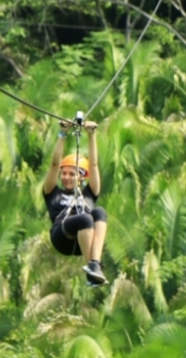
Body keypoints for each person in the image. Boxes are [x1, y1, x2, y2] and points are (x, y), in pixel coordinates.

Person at [43, 119, 108, 286]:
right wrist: (62, 134)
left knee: (99, 212)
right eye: (64, 173)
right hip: (61, 237)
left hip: (82, 243)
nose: (66, 177)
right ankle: (91, 269)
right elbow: (54, 164)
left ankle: (95, 263)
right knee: (85, 218)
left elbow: (93, 165)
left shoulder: (89, 194)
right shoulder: (53, 193)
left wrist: (91, 136)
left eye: (72, 174)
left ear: (82, 177)